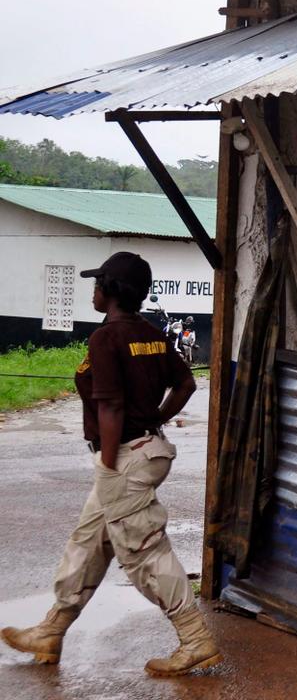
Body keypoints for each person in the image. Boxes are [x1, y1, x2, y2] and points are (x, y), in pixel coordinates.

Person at [1, 252, 220, 677]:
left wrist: (107, 465)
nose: (93, 289)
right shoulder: (151, 334)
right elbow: (186, 382)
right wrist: (154, 420)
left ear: (112, 291)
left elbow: (111, 405)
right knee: (87, 543)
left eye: (98, 282)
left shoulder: (106, 339)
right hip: (143, 450)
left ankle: (196, 639)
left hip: (123, 460)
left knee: (145, 553)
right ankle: (52, 630)